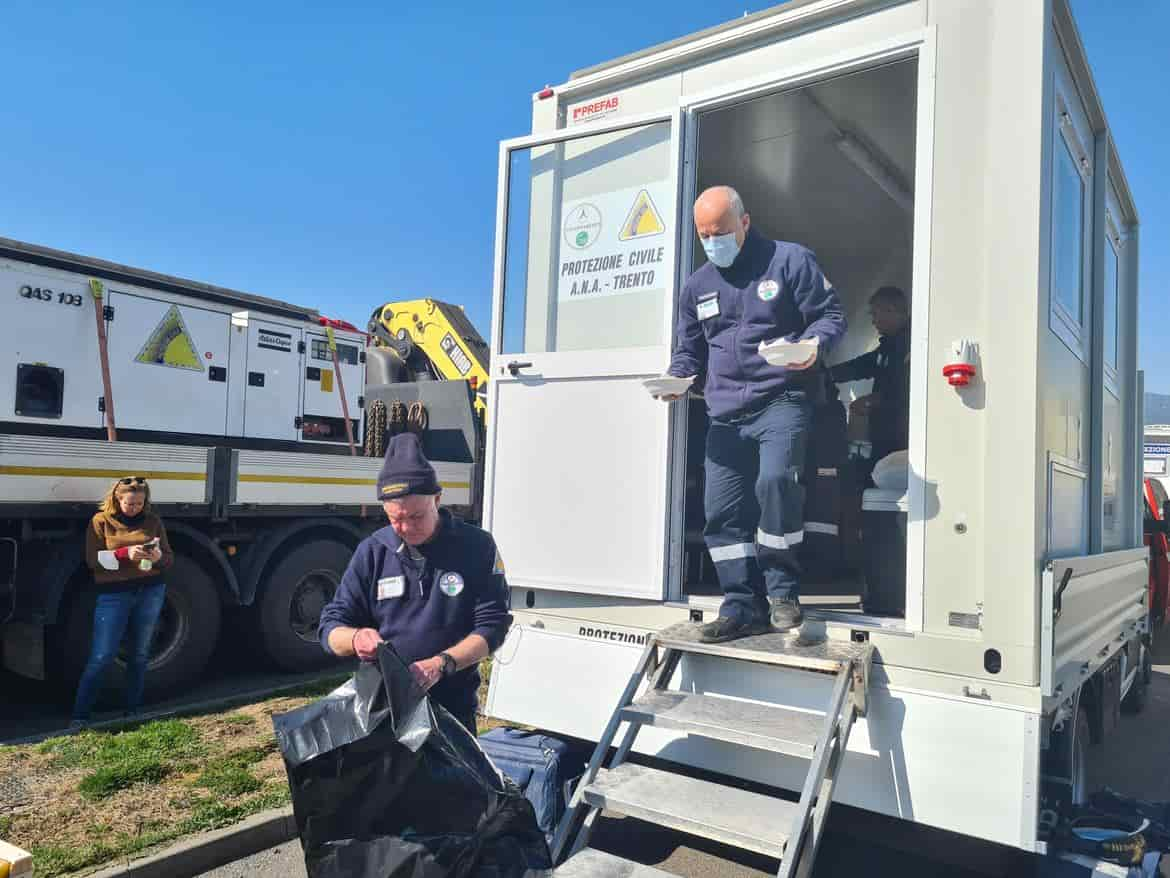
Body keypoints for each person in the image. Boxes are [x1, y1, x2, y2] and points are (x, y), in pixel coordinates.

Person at [657, 185, 846, 643]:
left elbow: (831, 316)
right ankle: (742, 604)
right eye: (703, 234)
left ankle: (782, 591)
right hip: (724, 413)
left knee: (775, 482)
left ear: (744, 222)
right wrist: (677, 378)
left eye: (719, 232)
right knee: (721, 512)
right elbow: (690, 349)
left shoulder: (789, 261)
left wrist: (813, 347)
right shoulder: (698, 284)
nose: (712, 241)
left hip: (781, 399)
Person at [318, 433, 512, 735]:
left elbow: (493, 627)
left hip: (451, 710)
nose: (406, 528)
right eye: (396, 519)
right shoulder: (373, 551)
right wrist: (355, 638)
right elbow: (330, 627)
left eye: (416, 516)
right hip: (384, 709)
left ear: (437, 498)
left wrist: (442, 663)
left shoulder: (477, 547)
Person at [72, 476, 173, 728]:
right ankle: (80, 716)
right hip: (114, 594)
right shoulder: (101, 521)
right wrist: (125, 554)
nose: (134, 508)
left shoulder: (153, 521)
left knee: (139, 654)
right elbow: (93, 561)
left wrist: (159, 556)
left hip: (151, 590)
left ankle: (132, 711)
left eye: (139, 503)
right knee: (103, 656)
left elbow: (169, 559)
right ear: (117, 499)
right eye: (129, 503)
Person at [830, 286, 911, 469]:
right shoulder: (890, 345)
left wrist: (877, 399)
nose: (873, 321)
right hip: (885, 429)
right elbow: (864, 365)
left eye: (876, 314)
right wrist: (829, 374)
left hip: (902, 432)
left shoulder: (914, 343)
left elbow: (909, 386)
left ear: (891, 310)